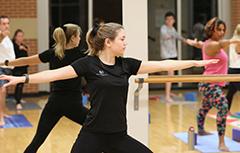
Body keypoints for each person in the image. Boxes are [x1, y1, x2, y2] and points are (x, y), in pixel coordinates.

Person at [0, 22, 218, 153]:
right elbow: (53, 74)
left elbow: (162, 64)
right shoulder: (88, 64)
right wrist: (22, 80)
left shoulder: (126, 65)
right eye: (122, 39)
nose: (126, 42)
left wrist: (195, 62)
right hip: (92, 134)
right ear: (108, 42)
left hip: (118, 136)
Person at [0, 23, 89, 152]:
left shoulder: (54, 52)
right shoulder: (81, 56)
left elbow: (26, 60)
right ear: (74, 38)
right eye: (79, 36)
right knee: (98, 127)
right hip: (73, 104)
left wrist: (6, 62)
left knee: (37, 141)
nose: (80, 39)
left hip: (54, 103)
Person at [189, 17, 240, 152]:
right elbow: (220, 45)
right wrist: (235, 40)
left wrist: (194, 43)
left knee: (205, 107)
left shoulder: (208, 43)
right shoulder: (212, 44)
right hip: (209, 84)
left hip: (213, 84)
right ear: (211, 30)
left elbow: (202, 44)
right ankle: (221, 143)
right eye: (219, 29)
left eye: (223, 30)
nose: (222, 32)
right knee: (223, 106)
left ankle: (200, 130)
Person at [160, 11, 193, 102]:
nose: (170, 21)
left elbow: (179, 37)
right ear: (165, 20)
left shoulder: (173, 29)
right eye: (168, 19)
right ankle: (167, 96)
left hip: (173, 54)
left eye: (171, 19)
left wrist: (187, 41)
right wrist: (175, 36)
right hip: (166, 55)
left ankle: (168, 92)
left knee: (172, 75)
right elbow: (166, 36)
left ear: (174, 20)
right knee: (169, 75)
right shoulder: (163, 28)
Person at [0, 15, 15, 126]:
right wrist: (1, 35)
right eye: (4, 23)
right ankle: (0, 116)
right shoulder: (1, 35)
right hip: (0, 68)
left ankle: (3, 112)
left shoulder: (7, 38)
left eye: (7, 23)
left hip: (7, 69)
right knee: (2, 91)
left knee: (4, 93)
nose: (6, 25)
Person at [12, 29, 29, 110]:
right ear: (15, 37)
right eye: (19, 36)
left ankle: (18, 98)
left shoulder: (23, 46)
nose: (21, 38)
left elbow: (26, 55)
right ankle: (17, 102)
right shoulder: (13, 46)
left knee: (22, 84)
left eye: (22, 36)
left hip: (23, 68)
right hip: (16, 68)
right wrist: (19, 48)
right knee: (19, 84)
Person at [226, 24, 240, 116]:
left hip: (232, 69)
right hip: (237, 69)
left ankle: (226, 111)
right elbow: (238, 51)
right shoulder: (237, 40)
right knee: (231, 92)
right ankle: (226, 111)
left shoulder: (232, 39)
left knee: (231, 92)